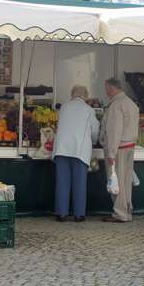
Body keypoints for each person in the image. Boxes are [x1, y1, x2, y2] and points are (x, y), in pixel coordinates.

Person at [51, 85, 100, 222]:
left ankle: (61, 214)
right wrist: (93, 140)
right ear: (86, 96)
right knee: (79, 182)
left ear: (72, 95)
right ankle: (79, 214)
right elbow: (95, 130)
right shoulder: (89, 110)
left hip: (62, 147)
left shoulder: (64, 107)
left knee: (62, 181)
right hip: (80, 148)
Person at [100, 77, 139, 223]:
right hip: (129, 146)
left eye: (106, 90)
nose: (106, 93)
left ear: (111, 89)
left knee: (117, 182)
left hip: (120, 148)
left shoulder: (116, 104)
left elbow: (114, 131)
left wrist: (111, 153)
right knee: (126, 180)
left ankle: (120, 213)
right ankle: (127, 210)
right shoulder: (131, 103)